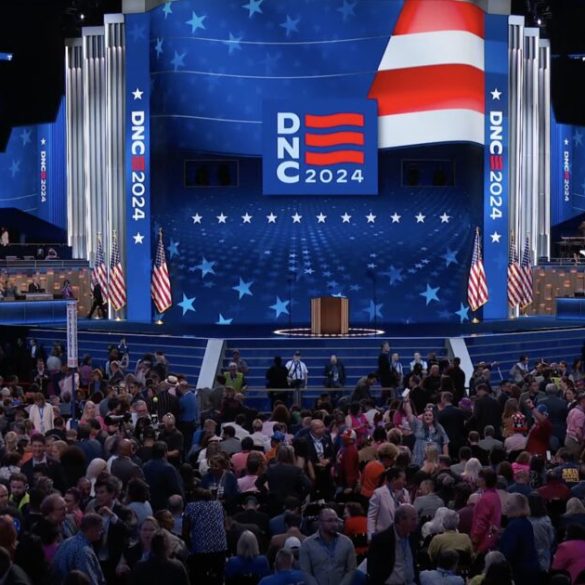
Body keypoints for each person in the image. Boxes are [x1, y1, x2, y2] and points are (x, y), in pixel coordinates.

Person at [299, 508, 356, 585]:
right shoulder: (307, 544)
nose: (334, 524)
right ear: (320, 522)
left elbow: (351, 570)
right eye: (330, 521)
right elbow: (306, 572)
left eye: (336, 520)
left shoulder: (347, 542)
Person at [367, 503, 418, 585]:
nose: (416, 523)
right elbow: (372, 570)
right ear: (401, 520)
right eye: (413, 519)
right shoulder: (381, 540)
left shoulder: (413, 535)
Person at [51, 513, 106, 585]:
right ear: (92, 530)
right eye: (100, 529)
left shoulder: (67, 541)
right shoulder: (84, 552)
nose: (102, 532)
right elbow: (89, 580)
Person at [498, 493, 540, 584]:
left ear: (514, 507)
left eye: (508, 503)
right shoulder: (526, 523)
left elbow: (508, 551)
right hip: (531, 568)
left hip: (520, 572)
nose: (505, 506)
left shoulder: (513, 526)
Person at [403, 397, 449, 465]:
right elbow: (409, 414)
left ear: (434, 417)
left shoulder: (439, 427)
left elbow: (445, 442)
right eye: (426, 415)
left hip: (435, 458)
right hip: (418, 457)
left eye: (430, 415)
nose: (427, 417)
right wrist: (406, 401)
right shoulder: (418, 424)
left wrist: (446, 459)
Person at [367, 467, 410, 539]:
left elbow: (409, 515)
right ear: (394, 479)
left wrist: (403, 502)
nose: (405, 482)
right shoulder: (379, 493)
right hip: (383, 535)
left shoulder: (405, 493)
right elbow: (371, 517)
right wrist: (370, 536)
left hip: (401, 536)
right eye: (403, 479)